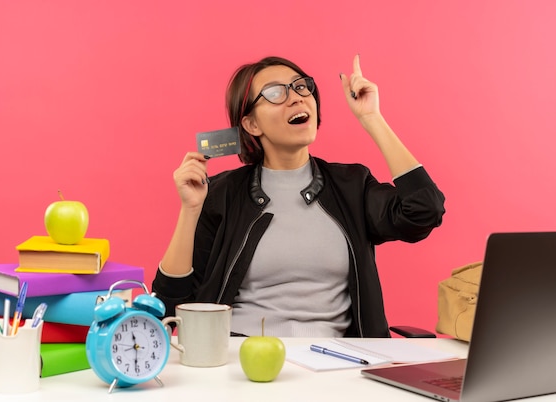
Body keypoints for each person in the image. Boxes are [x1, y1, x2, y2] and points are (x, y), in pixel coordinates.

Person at [152, 55, 445, 338]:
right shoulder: (221, 194)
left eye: (301, 86)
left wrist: (372, 118)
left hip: (333, 362)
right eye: (276, 93)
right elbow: (169, 306)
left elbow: (423, 211)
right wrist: (190, 210)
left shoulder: (351, 186)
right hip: (237, 357)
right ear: (252, 125)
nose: (296, 97)